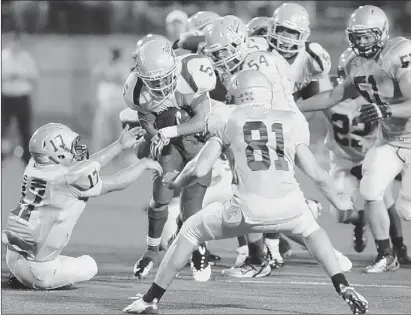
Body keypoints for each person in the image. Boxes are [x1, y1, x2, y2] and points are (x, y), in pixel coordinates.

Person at [122, 69, 369, 315]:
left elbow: (200, 168)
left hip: (246, 208)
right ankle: (343, 286)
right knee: (312, 231)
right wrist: (338, 200)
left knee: (190, 230)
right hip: (290, 205)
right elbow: (317, 174)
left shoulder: (227, 117)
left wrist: (176, 182)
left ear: (239, 94)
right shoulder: (290, 119)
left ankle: (150, 300)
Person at [202, 14, 352, 276]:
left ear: (239, 43)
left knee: (251, 194)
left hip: (273, 128)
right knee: (262, 193)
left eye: (223, 51)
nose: (220, 59)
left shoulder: (252, 65)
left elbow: (254, 106)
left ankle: (260, 259)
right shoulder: (260, 54)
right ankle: (278, 249)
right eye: (215, 53)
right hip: (284, 124)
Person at [297, 5, 411, 273]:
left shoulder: (399, 55)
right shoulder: (357, 64)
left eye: (367, 36)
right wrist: (289, 106)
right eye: (357, 36)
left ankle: (397, 247)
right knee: (371, 191)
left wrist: (386, 109)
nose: (361, 42)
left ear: (381, 33)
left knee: (407, 210)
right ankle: (386, 255)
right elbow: (331, 97)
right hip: (390, 141)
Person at [2, 123, 162, 290]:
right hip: (37, 270)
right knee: (89, 265)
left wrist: (119, 145)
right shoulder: (67, 179)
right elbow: (116, 183)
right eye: (71, 147)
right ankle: (33, 279)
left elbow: (85, 167)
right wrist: (142, 164)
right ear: (56, 152)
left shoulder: (34, 166)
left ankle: (20, 274)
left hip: (14, 256)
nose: (75, 150)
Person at [123, 38, 217, 281]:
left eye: (165, 78)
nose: (162, 85)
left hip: (198, 143)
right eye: (154, 81)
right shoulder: (136, 91)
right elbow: (148, 122)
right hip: (171, 147)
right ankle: (151, 252)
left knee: (192, 209)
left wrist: (168, 131)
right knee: (160, 198)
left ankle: (198, 248)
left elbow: (201, 121)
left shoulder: (191, 75)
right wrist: (155, 137)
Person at [1, 31, 39, 165]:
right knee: (2, 127)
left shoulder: (26, 57)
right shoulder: (3, 56)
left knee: (25, 129)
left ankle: (27, 159)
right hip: (6, 96)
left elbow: (34, 75)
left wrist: (19, 75)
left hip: (21, 96)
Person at [91, 47, 130, 153]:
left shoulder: (123, 66)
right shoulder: (104, 64)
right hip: (104, 103)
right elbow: (96, 75)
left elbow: (122, 80)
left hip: (118, 103)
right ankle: (99, 152)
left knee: (119, 129)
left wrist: (109, 76)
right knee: (101, 129)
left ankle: (121, 153)